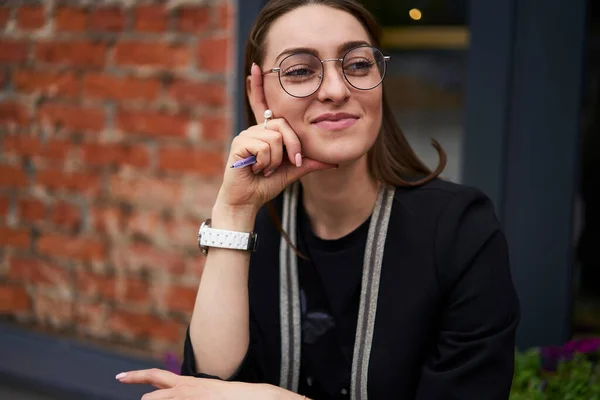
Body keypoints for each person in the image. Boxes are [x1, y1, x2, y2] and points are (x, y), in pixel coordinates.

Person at [115, 0, 521, 398]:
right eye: (300, 71)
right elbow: (210, 387)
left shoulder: (461, 229)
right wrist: (234, 212)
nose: (335, 89)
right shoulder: (259, 224)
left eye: (358, 64)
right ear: (260, 93)